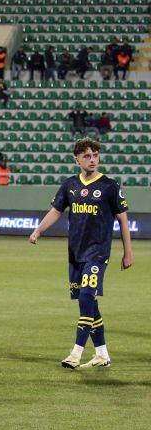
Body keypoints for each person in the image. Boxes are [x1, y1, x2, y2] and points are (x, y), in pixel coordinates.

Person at [30, 137, 133, 369]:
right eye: (87, 156)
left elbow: (123, 219)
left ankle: (76, 353)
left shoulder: (109, 186)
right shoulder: (70, 185)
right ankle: (102, 354)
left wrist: (128, 252)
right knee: (88, 304)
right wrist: (38, 230)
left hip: (97, 252)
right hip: (75, 253)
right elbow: (55, 211)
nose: (92, 159)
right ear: (77, 159)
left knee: (87, 297)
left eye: (95, 155)